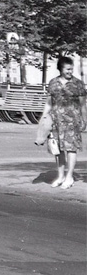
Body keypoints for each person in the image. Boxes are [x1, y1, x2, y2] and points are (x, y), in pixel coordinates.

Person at [45, 56, 85, 188]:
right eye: (67, 69)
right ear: (60, 69)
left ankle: (69, 177)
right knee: (58, 149)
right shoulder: (53, 83)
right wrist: (45, 119)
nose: (70, 71)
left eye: (71, 69)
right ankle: (61, 176)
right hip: (56, 121)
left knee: (71, 149)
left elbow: (83, 104)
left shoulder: (78, 84)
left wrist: (84, 119)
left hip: (72, 121)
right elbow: (49, 103)